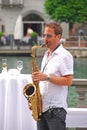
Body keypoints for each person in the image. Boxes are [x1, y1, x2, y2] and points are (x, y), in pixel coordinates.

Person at [32, 22, 74, 130]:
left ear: (58, 37)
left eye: (49, 36)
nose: (45, 38)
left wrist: (46, 77)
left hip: (55, 110)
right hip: (42, 108)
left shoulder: (65, 56)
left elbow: (68, 81)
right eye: (44, 35)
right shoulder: (46, 54)